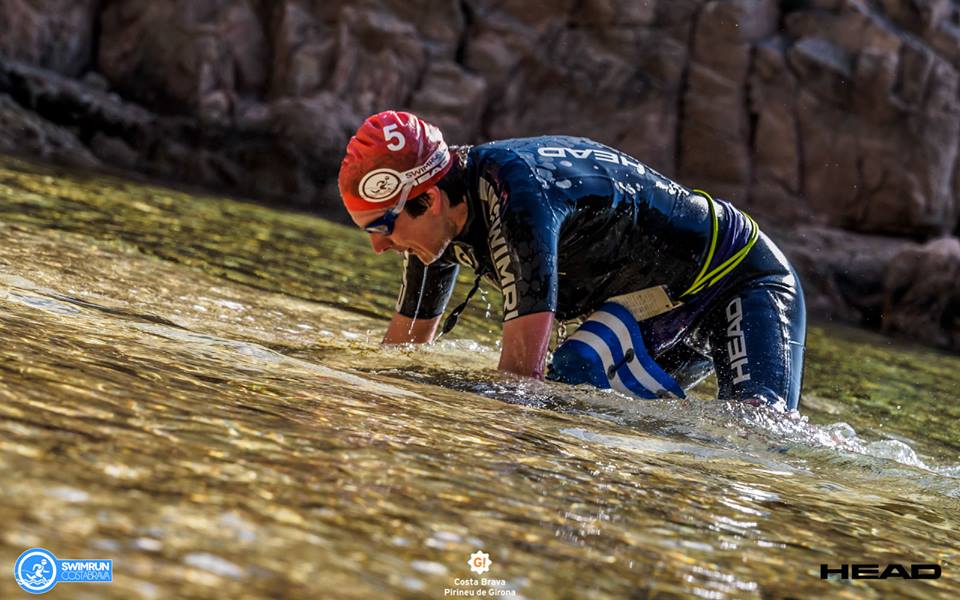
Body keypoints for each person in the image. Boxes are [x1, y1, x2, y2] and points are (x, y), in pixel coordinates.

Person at [338, 110, 806, 410]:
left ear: (430, 199)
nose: (379, 246)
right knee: (577, 390)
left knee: (757, 441)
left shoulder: (516, 198)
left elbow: (519, 382)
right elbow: (401, 355)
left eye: (382, 227)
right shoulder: (434, 230)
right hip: (661, 308)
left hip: (740, 278)